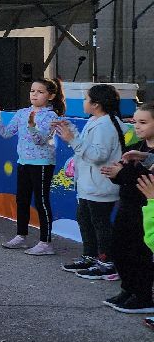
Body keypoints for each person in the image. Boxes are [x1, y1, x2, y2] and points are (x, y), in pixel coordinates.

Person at [0, 77, 64, 256]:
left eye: (40, 92)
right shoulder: (22, 112)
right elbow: (6, 133)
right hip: (23, 162)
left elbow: (40, 139)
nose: (34, 94)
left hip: (42, 164)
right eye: (32, 91)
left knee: (41, 201)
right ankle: (21, 235)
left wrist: (32, 126)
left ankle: (45, 242)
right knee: (22, 199)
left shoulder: (51, 116)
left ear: (50, 96)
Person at [55, 84, 123, 280]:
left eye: (86, 99)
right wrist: (70, 131)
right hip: (89, 185)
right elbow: (87, 146)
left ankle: (106, 262)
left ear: (96, 104)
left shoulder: (106, 125)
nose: (84, 102)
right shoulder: (97, 120)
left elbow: (97, 155)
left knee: (100, 224)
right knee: (85, 220)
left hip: (100, 186)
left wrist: (72, 140)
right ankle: (90, 256)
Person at [99, 103, 154, 314]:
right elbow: (129, 177)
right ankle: (128, 289)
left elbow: (145, 180)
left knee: (139, 254)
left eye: (143, 122)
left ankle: (142, 295)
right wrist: (117, 174)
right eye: (135, 121)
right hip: (127, 206)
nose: (137, 127)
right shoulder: (139, 147)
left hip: (145, 209)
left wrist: (120, 174)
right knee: (120, 249)